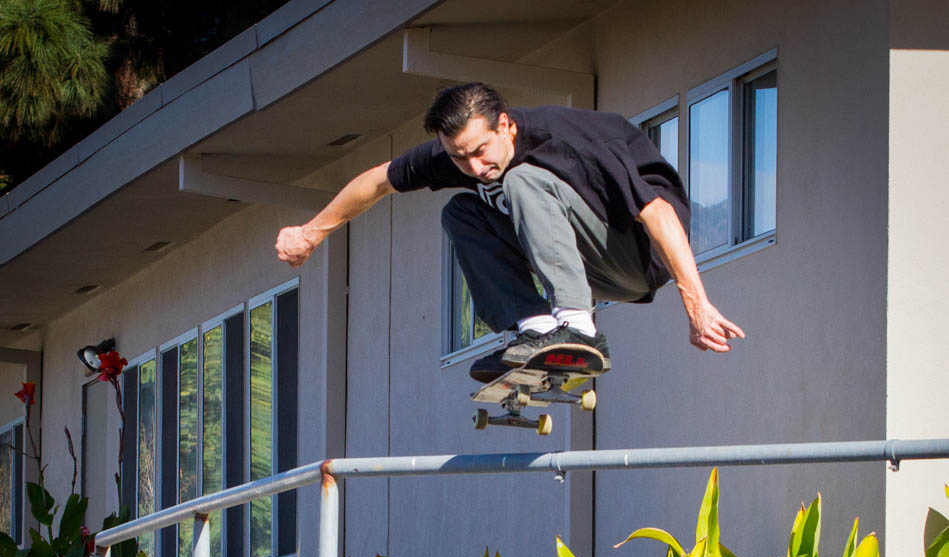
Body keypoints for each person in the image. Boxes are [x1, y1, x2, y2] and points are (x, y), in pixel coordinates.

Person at [275, 82, 744, 382]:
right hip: (584, 261)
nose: (475, 167)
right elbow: (377, 181)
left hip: (637, 255)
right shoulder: (459, 157)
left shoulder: (567, 140)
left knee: (519, 180)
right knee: (461, 211)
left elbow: (658, 213)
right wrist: (312, 233)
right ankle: (536, 328)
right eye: (459, 157)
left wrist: (697, 305)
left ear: (506, 125)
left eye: (480, 151)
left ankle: (578, 327)